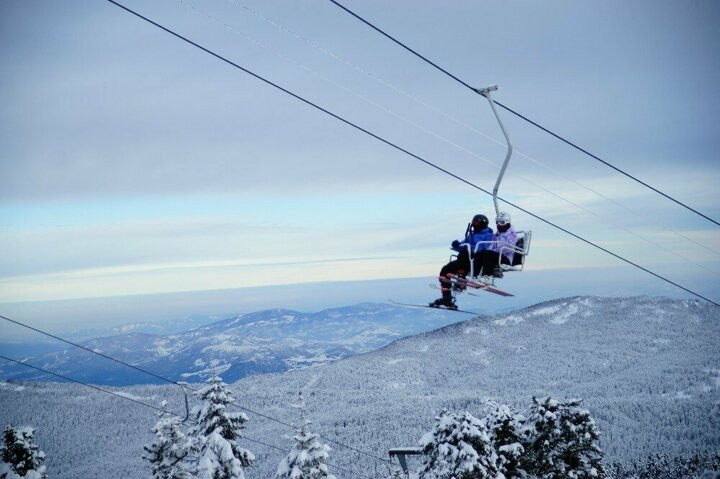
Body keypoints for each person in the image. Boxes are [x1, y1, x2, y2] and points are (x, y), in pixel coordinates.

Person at [430, 214, 494, 309]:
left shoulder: (488, 235)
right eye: (473, 222)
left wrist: (466, 248)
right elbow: (463, 244)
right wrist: (457, 245)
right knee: (444, 271)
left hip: (475, 261)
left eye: (476, 222)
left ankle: (461, 275)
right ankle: (447, 299)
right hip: (463, 259)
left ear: (482, 224)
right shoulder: (471, 235)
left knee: (464, 255)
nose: (474, 225)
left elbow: (482, 248)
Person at [477, 211, 518, 283]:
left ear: (507, 222)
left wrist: (493, 251)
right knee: (480, 253)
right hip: (496, 256)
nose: (499, 224)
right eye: (497, 222)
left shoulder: (511, 234)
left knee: (488, 254)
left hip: (506, 258)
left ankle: (488, 277)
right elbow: (490, 246)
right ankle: (476, 275)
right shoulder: (496, 235)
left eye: (502, 222)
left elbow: (510, 247)